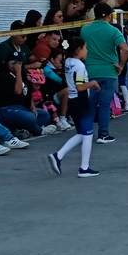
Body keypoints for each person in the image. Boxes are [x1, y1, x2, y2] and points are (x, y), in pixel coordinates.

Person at [0, 22, 56, 137]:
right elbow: (18, 91)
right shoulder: (4, 76)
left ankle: (25, 130)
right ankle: (38, 131)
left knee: (43, 114)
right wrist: (19, 70)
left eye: (18, 62)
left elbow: (28, 92)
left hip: (19, 106)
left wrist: (32, 106)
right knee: (29, 117)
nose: (15, 64)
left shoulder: (22, 69)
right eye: (13, 62)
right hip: (4, 108)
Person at [47, 37, 102, 178]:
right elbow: (80, 86)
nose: (87, 51)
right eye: (85, 48)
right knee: (88, 136)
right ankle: (84, 168)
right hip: (82, 102)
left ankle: (58, 156)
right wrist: (92, 83)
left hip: (72, 101)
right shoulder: (80, 66)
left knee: (81, 134)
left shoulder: (69, 62)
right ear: (79, 50)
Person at [80, 3, 128, 144]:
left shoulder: (85, 30)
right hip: (109, 71)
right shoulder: (113, 31)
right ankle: (103, 134)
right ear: (109, 16)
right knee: (105, 105)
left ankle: (86, 133)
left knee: (91, 104)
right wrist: (121, 66)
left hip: (90, 71)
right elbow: (125, 49)